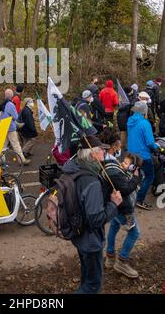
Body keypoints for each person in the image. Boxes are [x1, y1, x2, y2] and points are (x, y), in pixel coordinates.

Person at [62, 135, 122, 294]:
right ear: (93, 154)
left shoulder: (74, 168)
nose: (104, 152)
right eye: (101, 150)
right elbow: (96, 219)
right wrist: (113, 204)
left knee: (86, 275)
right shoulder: (91, 182)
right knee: (93, 285)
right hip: (90, 240)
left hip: (78, 233)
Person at [100, 129, 141, 278]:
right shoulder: (112, 167)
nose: (120, 148)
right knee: (135, 232)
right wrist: (136, 179)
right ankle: (121, 262)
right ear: (116, 145)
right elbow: (125, 189)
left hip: (115, 205)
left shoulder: (105, 159)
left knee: (115, 226)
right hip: (123, 207)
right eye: (119, 145)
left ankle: (110, 256)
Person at [127, 101, 159, 210]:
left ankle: (131, 195)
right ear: (144, 111)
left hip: (131, 153)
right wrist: (157, 147)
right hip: (142, 155)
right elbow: (150, 142)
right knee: (150, 176)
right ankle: (139, 200)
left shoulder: (129, 121)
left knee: (136, 174)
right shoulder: (145, 123)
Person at [0, 89, 30, 165]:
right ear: (12, 96)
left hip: (3, 126)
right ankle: (22, 160)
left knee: (3, 145)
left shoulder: (3, 103)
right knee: (16, 144)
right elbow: (16, 116)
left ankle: (1, 160)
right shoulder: (10, 104)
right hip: (10, 127)